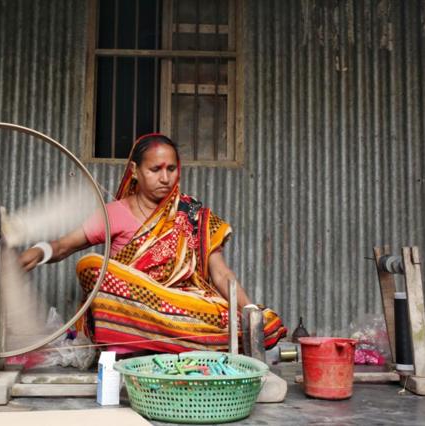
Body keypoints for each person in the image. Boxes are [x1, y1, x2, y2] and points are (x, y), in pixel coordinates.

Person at [19, 133, 287, 353]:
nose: (165, 178)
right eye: (155, 169)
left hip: (180, 309)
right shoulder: (114, 212)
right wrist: (38, 252)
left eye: (171, 169)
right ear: (135, 171)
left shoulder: (191, 213)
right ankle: (169, 341)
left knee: (245, 318)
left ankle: (176, 339)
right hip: (132, 310)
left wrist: (250, 311)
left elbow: (220, 272)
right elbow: (66, 245)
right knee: (94, 266)